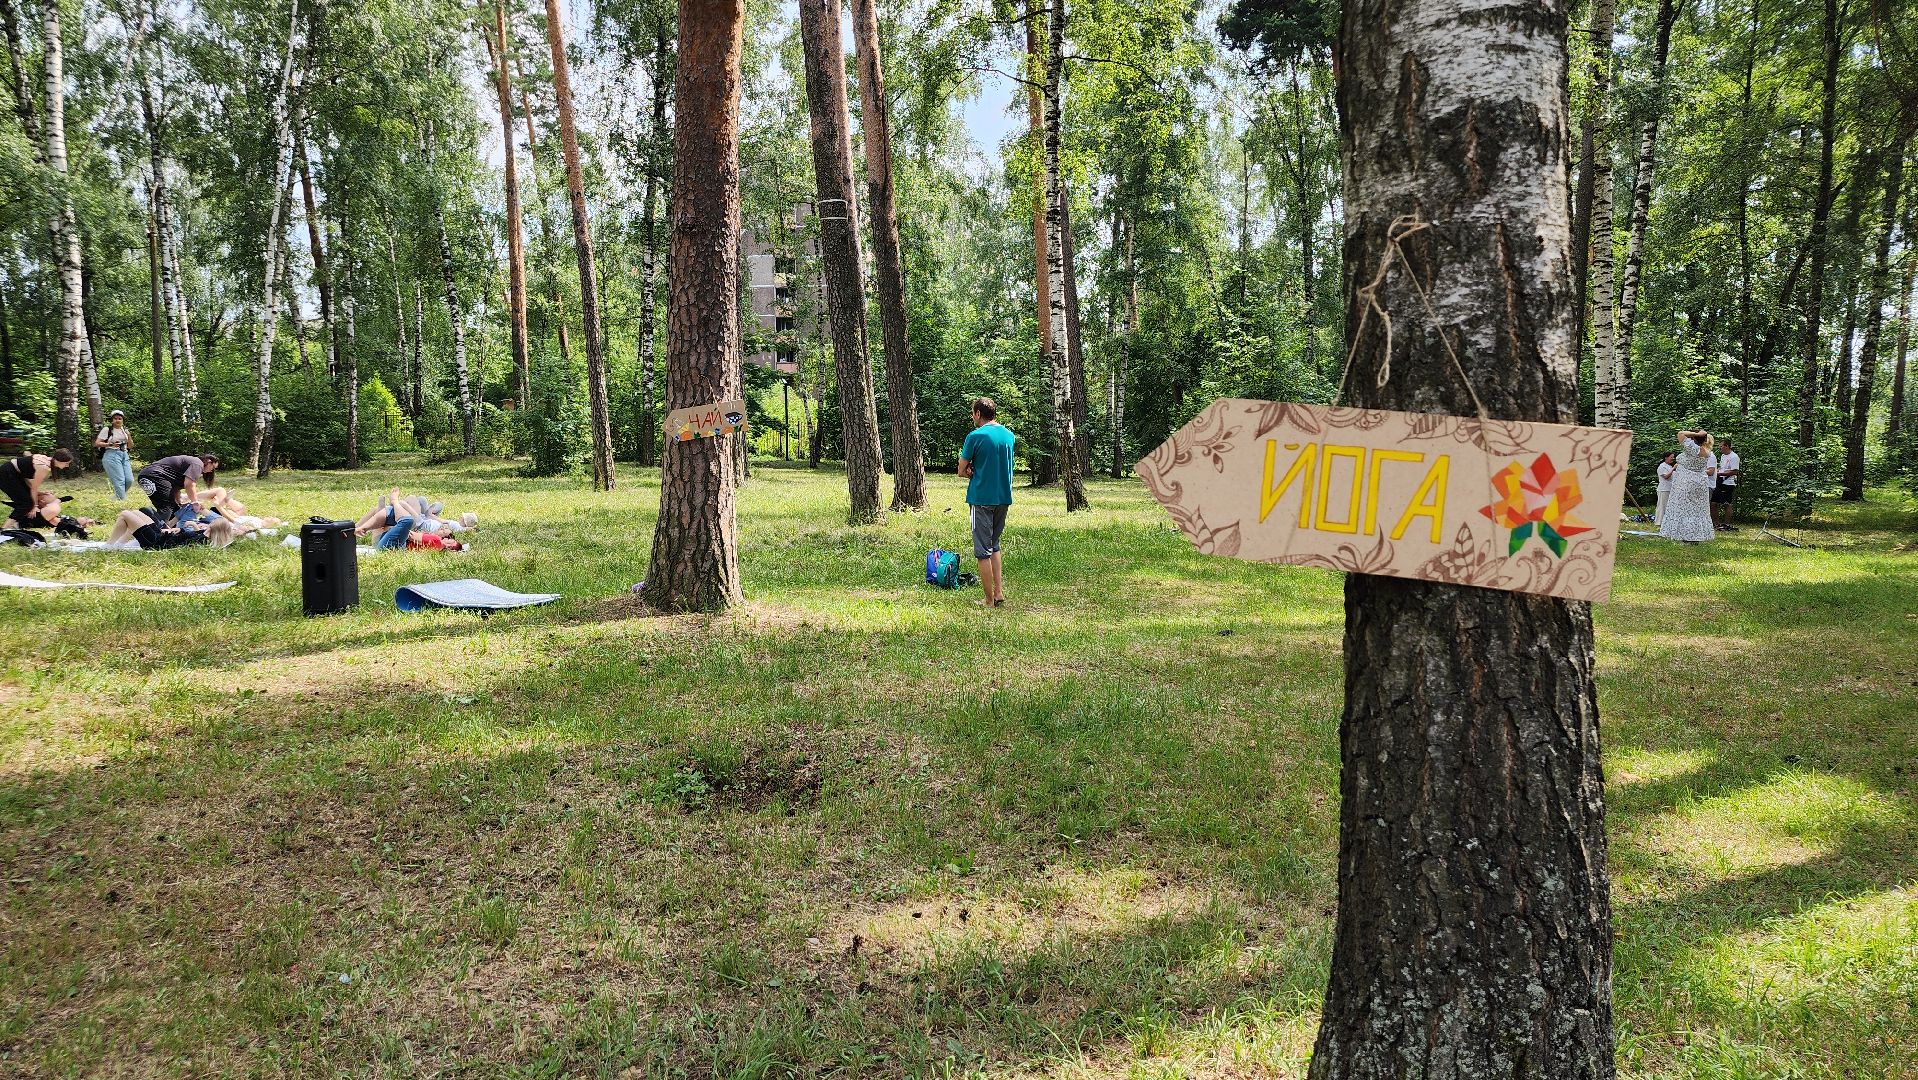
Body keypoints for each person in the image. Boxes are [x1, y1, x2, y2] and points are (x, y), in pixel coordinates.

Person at [957, 396, 1016, 608]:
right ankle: (998, 592)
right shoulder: (1009, 435)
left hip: (981, 498)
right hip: (1003, 497)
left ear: (978, 414)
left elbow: (961, 470)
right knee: (994, 545)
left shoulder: (975, 436)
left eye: (973, 413)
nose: (972, 417)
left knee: (982, 551)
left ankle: (989, 600)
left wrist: (970, 470)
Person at [1659, 428, 1716, 544]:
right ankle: (1696, 536)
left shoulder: (1692, 448)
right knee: (1697, 509)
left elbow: (1680, 434)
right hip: (1699, 483)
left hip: (1686, 483)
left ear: (1694, 438)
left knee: (1685, 508)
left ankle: (1686, 536)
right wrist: (1699, 435)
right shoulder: (1706, 452)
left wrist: (1696, 434)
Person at [1, 448, 78, 528]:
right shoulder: (44, 467)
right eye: (66, 463)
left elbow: (30, 484)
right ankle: (4, 529)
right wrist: (35, 506)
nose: (67, 466)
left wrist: (39, 493)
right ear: (59, 460)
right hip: (7, 474)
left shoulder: (47, 460)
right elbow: (33, 488)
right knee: (26, 504)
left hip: (13, 474)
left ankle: (20, 520)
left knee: (30, 500)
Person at [104, 505, 240, 550]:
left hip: (156, 542)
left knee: (125, 514)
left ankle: (109, 545)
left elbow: (180, 544)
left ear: (214, 528)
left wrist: (170, 533)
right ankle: (119, 543)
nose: (209, 523)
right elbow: (184, 537)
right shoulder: (203, 534)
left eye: (212, 524)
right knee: (136, 512)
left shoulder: (202, 539)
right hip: (163, 536)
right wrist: (176, 530)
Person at [136, 452, 218, 518]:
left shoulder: (192, 464)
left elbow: (174, 487)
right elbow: (189, 484)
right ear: (208, 461)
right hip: (155, 475)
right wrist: (195, 502)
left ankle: (150, 520)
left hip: (146, 475)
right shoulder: (198, 464)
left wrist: (179, 503)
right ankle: (156, 530)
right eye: (213, 467)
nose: (211, 471)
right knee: (167, 507)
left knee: (174, 510)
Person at [93, 411, 134, 500]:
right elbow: (97, 443)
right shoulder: (107, 429)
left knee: (129, 480)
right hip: (111, 455)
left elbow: (130, 446)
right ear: (112, 420)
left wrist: (129, 435)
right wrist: (110, 444)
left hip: (124, 455)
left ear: (123, 420)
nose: (117, 420)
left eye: (120, 418)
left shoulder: (124, 430)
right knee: (119, 481)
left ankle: (116, 497)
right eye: (115, 418)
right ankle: (122, 501)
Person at [1712, 437, 1741, 531]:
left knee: (1726, 503)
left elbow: (1734, 472)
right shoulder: (1723, 456)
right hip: (1719, 481)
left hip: (1728, 483)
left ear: (1727, 446)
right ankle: (1716, 524)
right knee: (1713, 502)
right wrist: (1717, 471)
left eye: (1721, 446)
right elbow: (1722, 468)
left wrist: (1719, 474)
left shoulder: (1734, 457)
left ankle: (1727, 524)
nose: (1720, 448)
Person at [1654, 451, 1676, 525]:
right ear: (1666, 458)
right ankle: (1659, 522)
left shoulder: (1669, 466)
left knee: (1668, 506)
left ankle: (1666, 522)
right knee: (1662, 506)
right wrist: (1673, 468)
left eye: (1673, 457)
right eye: (1671, 457)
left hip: (1670, 489)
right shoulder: (1662, 466)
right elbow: (1666, 476)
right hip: (1663, 489)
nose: (1673, 458)